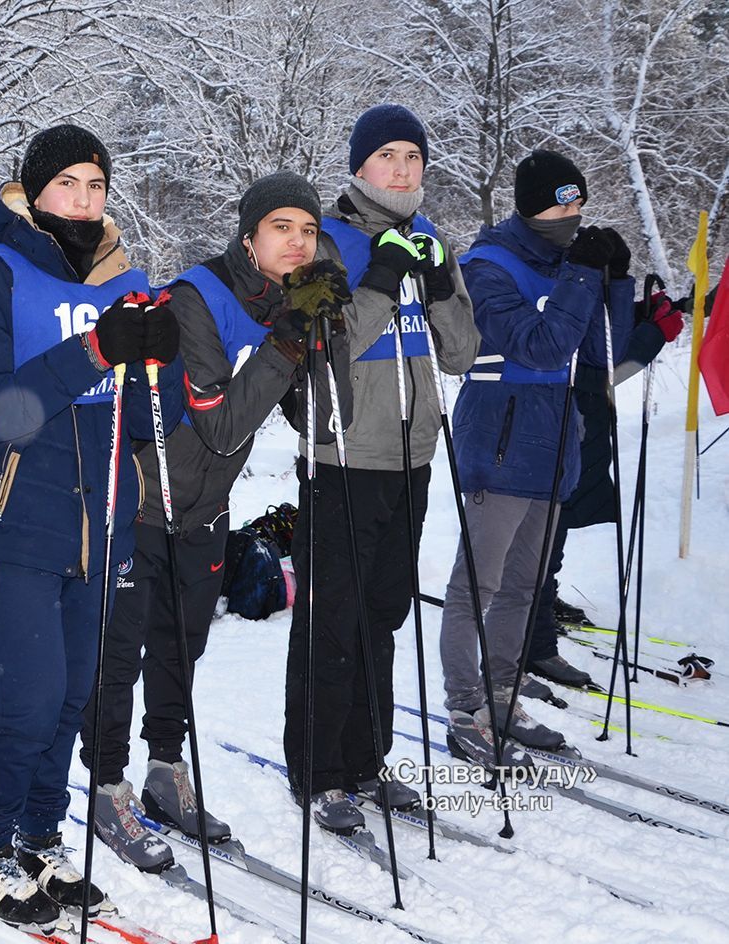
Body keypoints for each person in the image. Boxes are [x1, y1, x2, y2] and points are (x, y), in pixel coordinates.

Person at [82, 171, 349, 871]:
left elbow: (328, 420)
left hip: (205, 507)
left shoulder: (289, 305)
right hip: (143, 494)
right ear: (249, 236)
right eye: (281, 228)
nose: (296, 242)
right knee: (122, 650)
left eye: (309, 231)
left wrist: (326, 335)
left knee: (183, 644)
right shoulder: (199, 298)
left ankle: (166, 771)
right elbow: (226, 426)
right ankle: (108, 786)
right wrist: (285, 343)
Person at [0, 124, 181, 931]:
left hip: (104, 522)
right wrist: (92, 351)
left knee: (74, 695)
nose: (83, 201)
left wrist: (166, 359)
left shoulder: (129, 281)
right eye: (67, 185)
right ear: (33, 191)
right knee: (28, 695)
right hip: (17, 515)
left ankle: (41, 836)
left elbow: (156, 419)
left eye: (95, 185)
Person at [283, 103, 479, 833]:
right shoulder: (319, 239)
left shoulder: (434, 241)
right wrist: (379, 277)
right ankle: (319, 771)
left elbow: (460, 350)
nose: (401, 170)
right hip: (342, 453)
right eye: (387, 156)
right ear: (359, 165)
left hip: (413, 453)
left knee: (384, 612)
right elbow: (318, 344)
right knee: (331, 616)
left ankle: (367, 760)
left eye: (413, 157)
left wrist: (432, 288)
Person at [439, 148, 633, 768]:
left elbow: (607, 351)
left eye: (578, 203)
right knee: (477, 584)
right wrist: (581, 275)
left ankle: (501, 692)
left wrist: (618, 280)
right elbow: (542, 346)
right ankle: (464, 706)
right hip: (499, 444)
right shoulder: (489, 266)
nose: (572, 215)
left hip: (551, 445)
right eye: (560, 202)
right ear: (530, 206)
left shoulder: (561, 260)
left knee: (524, 585)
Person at [525, 288, 683, 690]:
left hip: (583, 423)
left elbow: (597, 334)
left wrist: (637, 314)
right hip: (561, 419)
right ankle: (533, 625)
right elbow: (597, 369)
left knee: (558, 520)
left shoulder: (573, 283)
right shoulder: (552, 283)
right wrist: (648, 337)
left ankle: (543, 601)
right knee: (544, 530)